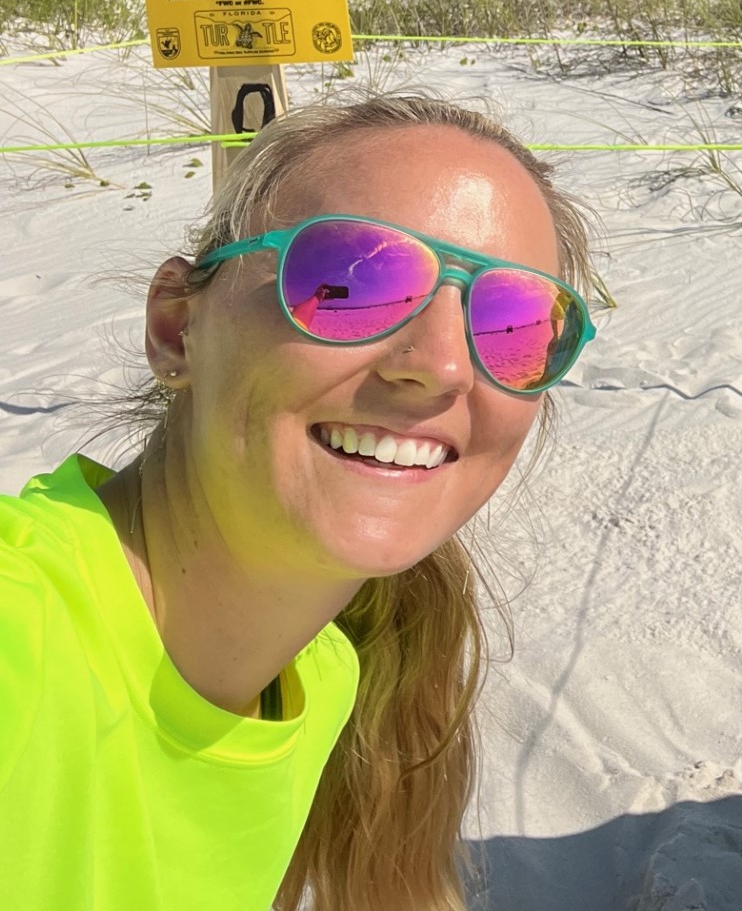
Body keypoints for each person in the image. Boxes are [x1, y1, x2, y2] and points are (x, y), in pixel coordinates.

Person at [0, 95, 598, 911]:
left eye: (516, 323)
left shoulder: (320, 684)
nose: (444, 367)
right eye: (349, 280)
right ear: (177, 329)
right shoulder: (24, 637)